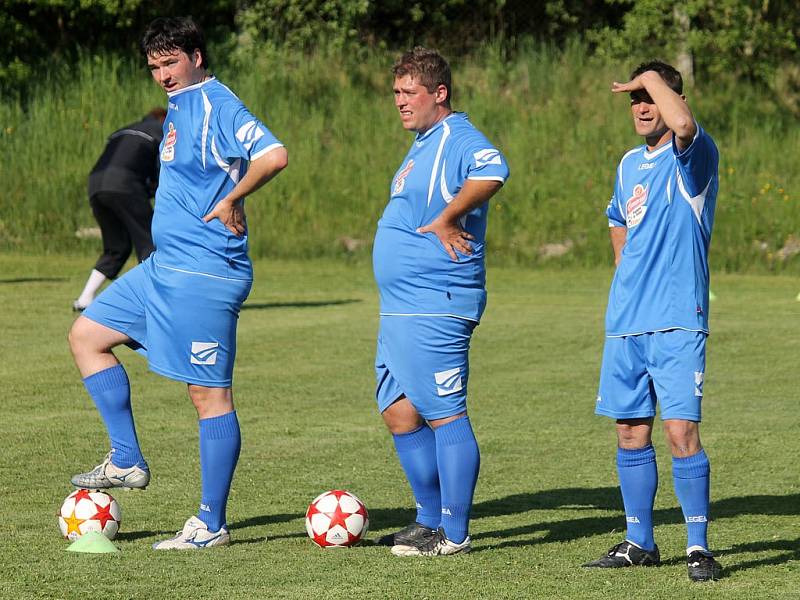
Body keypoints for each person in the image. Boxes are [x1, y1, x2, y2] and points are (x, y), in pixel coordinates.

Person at [67, 16, 288, 550]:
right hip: (166, 267)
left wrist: (233, 199)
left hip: (206, 272)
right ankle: (126, 460)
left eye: (171, 62)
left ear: (196, 55)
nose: (163, 75)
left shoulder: (217, 102)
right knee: (87, 336)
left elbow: (274, 154)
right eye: (155, 67)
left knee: (208, 396)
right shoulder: (182, 106)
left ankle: (211, 524)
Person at [582, 61, 722, 581]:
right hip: (626, 323)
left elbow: (682, 124)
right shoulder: (627, 165)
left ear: (669, 99)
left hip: (678, 320)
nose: (641, 107)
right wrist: (625, 269)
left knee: (681, 431)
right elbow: (618, 217)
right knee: (630, 431)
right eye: (634, 99)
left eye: (649, 97)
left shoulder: (694, 156)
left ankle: (698, 548)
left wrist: (654, 81)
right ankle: (640, 541)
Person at [372, 47, 509, 557]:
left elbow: (495, 170)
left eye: (409, 93)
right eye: (396, 93)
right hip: (401, 306)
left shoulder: (458, 136)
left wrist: (450, 218)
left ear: (440, 93)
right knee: (399, 412)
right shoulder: (423, 142)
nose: (400, 102)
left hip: (437, 301)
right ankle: (429, 519)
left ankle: (454, 532)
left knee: (445, 413)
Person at [73, 108, 166, 311]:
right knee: (150, 242)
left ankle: (84, 298)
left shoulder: (123, 130)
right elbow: (163, 167)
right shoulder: (162, 130)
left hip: (96, 185)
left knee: (117, 247)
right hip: (125, 185)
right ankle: (154, 300)